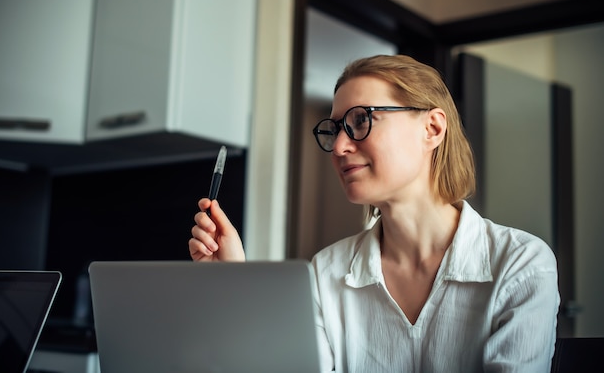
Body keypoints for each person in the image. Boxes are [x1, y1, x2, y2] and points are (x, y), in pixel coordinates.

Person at [190, 54, 560, 372]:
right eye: (334, 129)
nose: (338, 147)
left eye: (361, 120)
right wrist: (232, 285)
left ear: (432, 128)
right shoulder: (325, 273)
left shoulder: (521, 264)